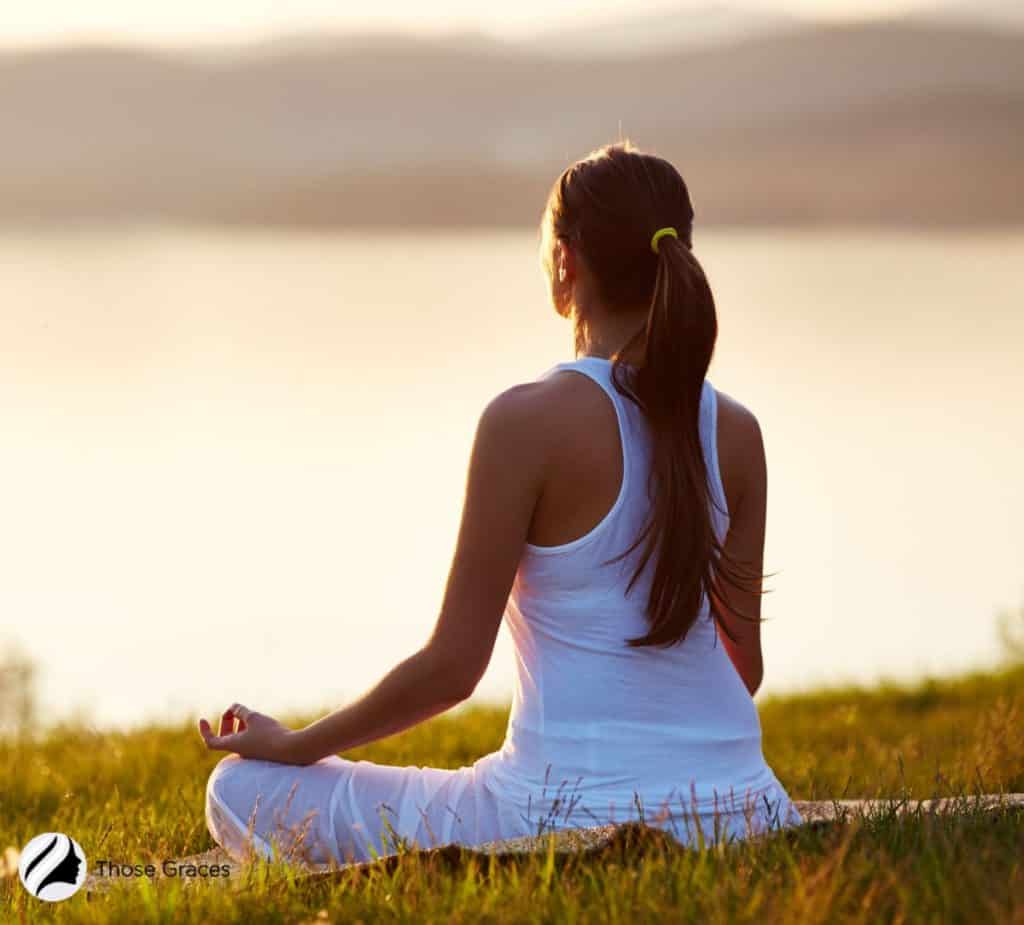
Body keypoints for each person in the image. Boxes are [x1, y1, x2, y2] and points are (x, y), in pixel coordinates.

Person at [200, 141, 804, 865]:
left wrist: (296, 744)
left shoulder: (524, 422)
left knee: (237, 789)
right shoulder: (735, 430)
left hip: (552, 813)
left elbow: (454, 668)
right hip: (748, 805)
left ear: (565, 264)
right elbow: (745, 670)